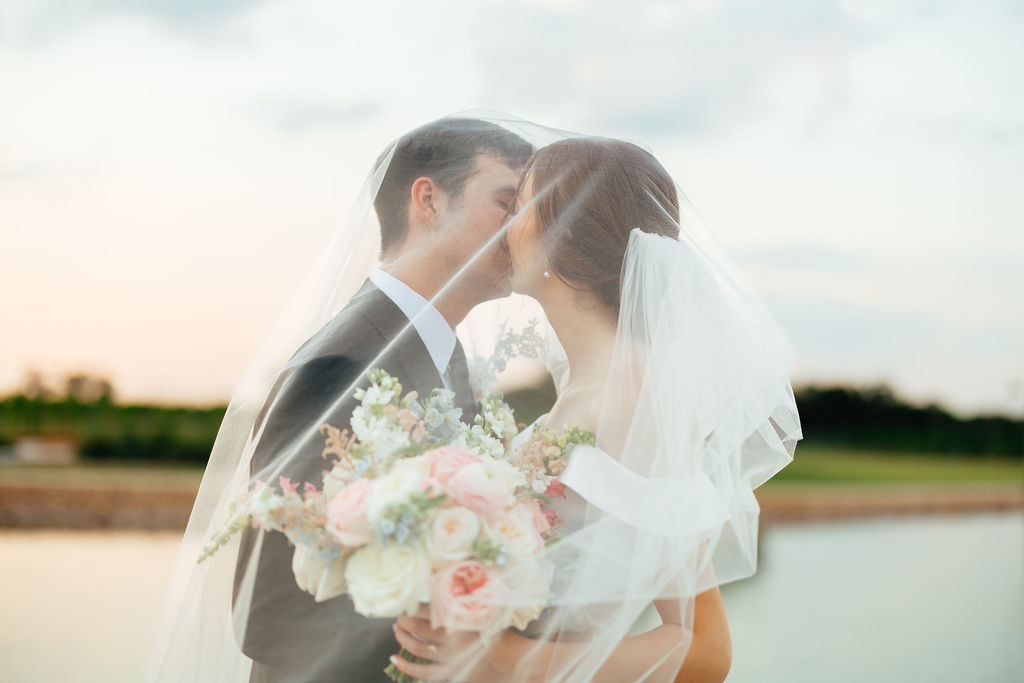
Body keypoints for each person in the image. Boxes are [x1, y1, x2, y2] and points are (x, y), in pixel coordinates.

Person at [386, 137, 802, 681]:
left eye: (521, 207)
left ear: (569, 238)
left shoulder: (635, 400)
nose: (506, 226)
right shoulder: (592, 383)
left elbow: (704, 649)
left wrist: (501, 659)